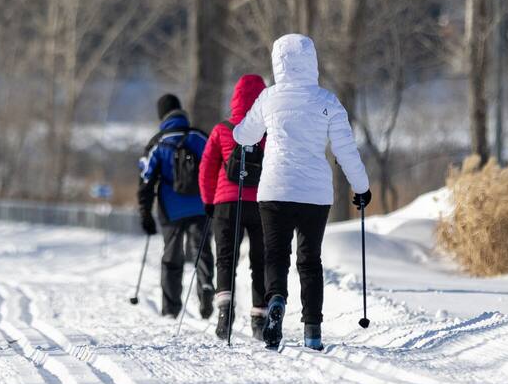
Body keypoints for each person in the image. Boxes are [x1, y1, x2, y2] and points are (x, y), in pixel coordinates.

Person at [232, 34, 370, 351]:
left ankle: (276, 299)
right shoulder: (327, 101)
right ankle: (312, 331)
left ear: (277, 63)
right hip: (315, 194)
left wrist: (242, 124)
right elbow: (346, 150)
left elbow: (244, 136)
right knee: (310, 261)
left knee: (276, 256)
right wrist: (361, 188)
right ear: (312, 62)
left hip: (274, 190)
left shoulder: (269, 98)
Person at [199, 75, 270, 342]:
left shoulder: (222, 129)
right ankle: (259, 319)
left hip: (226, 203)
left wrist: (208, 201)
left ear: (235, 97)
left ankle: (224, 315)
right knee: (259, 261)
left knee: (225, 258)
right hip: (262, 203)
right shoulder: (268, 130)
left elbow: (206, 169)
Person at [138, 94, 215, 320]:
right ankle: (206, 285)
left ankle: (171, 309)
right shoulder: (199, 137)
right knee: (202, 249)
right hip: (200, 205)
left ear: (162, 115)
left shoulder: (158, 142)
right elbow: (215, 168)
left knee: (172, 256)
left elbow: (146, 180)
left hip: (170, 208)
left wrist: (145, 214)